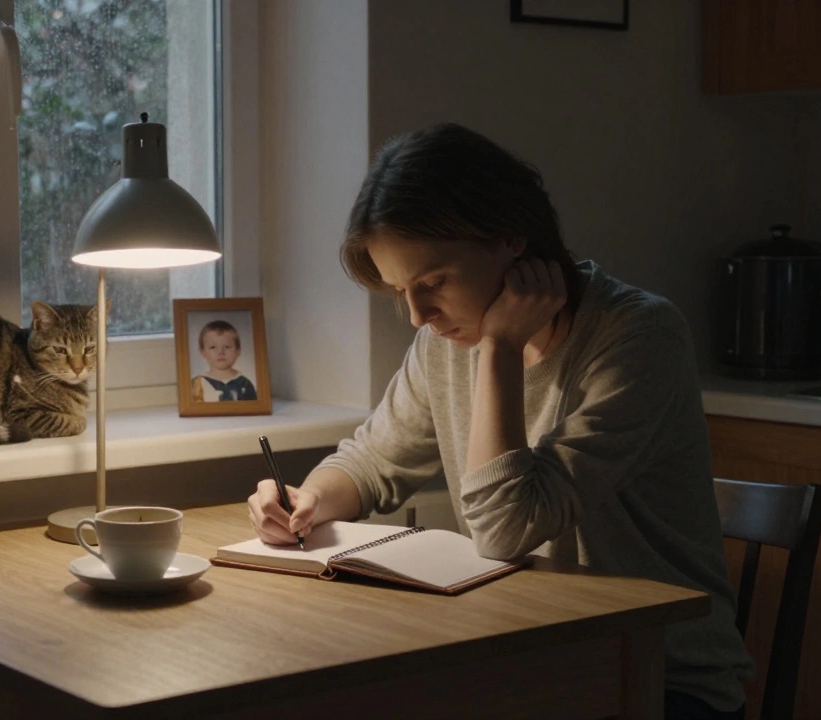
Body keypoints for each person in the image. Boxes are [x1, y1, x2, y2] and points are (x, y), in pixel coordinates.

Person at [246, 123, 753, 720]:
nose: (417, 316)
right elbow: (374, 460)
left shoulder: (640, 338)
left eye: (432, 283)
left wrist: (500, 349)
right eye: (399, 291)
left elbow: (508, 529)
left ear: (512, 237)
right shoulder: (445, 342)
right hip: (528, 653)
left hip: (659, 677)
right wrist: (306, 499)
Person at [191, 320, 258, 402]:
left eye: (227, 347)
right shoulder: (198, 384)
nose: (221, 352)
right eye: (213, 347)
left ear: (237, 351)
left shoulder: (244, 383)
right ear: (203, 352)